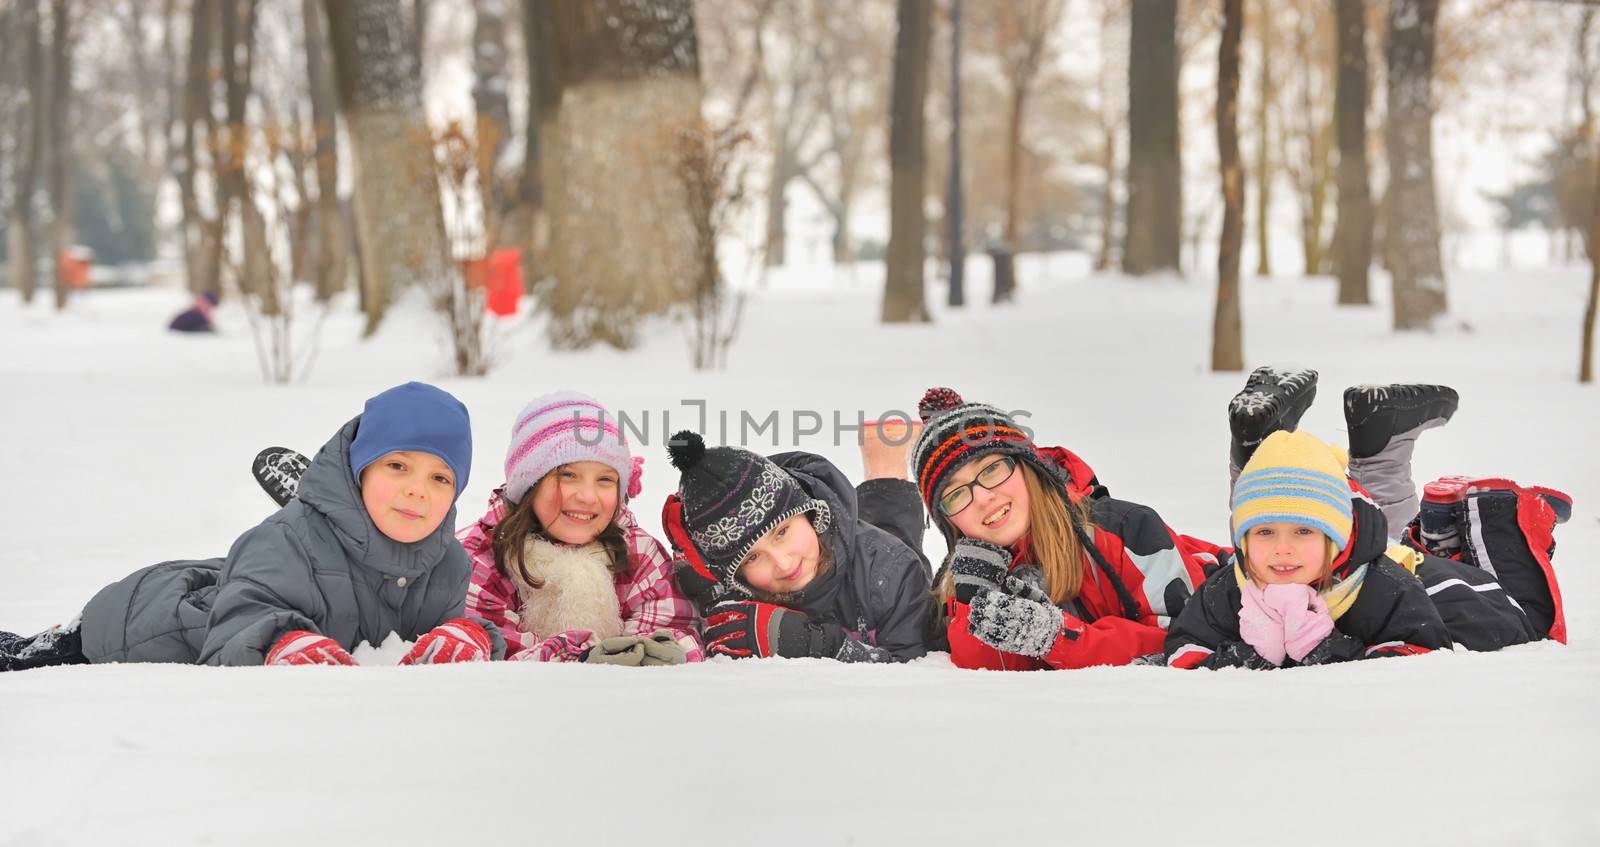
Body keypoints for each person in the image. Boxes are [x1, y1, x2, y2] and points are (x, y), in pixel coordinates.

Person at [0, 382, 503, 671]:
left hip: (235, 582)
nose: (419, 489)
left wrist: (469, 635)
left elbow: (427, 636)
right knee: (24, 658)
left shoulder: (447, 565)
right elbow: (236, 625)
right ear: (359, 468)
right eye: (397, 466)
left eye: (440, 477)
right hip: (139, 625)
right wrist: (279, 643)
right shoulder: (288, 540)